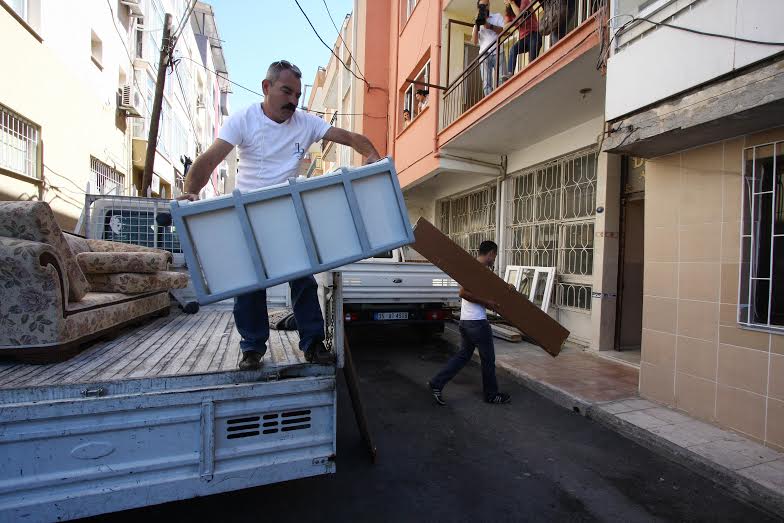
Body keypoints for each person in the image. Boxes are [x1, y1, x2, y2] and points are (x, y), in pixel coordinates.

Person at [179, 60, 382, 371]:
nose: (293, 100)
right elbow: (209, 160)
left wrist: (371, 155)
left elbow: (352, 138)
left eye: (297, 95)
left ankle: (313, 344)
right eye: (287, 91)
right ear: (266, 87)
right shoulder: (244, 119)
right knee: (250, 286)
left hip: (286, 214)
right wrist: (191, 192)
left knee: (303, 281)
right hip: (248, 216)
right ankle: (252, 349)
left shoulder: (306, 123)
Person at [427, 241, 511, 405]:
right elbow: (463, 292)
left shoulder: (478, 268)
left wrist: (507, 288)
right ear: (491, 253)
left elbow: (487, 291)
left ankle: (436, 383)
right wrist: (487, 302)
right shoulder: (476, 268)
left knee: (463, 356)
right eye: (495, 255)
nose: (495, 259)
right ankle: (491, 395)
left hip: (466, 322)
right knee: (488, 360)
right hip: (477, 323)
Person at [471, 0, 506, 97]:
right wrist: (477, 24)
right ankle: (491, 101)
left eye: (486, 5)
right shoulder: (478, 20)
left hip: (498, 51)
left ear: (489, 5)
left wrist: (489, 26)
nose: (484, 8)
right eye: (482, 6)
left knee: (502, 79)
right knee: (486, 83)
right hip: (484, 54)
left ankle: (502, 98)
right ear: (478, 7)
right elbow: (474, 41)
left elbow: (504, 31)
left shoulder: (497, 16)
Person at [502, 0, 541, 81]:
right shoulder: (509, 11)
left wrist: (512, 3)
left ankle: (532, 73)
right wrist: (514, 22)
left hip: (534, 33)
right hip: (523, 38)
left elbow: (520, 16)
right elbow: (504, 28)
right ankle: (510, 73)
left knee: (532, 58)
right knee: (513, 49)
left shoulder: (524, 1)